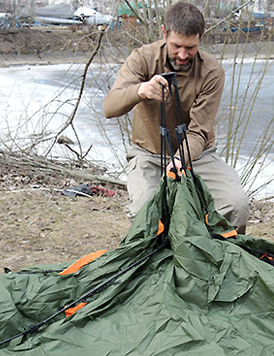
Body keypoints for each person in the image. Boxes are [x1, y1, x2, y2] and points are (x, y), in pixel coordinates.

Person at [103, 1, 250, 233]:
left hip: (197, 156)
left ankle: (223, 260)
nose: (183, 54)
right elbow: (109, 108)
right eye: (177, 46)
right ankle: (153, 263)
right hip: (149, 154)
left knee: (235, 204)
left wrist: (179, 161)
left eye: (190, 47)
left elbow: (199, 131)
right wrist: (139, 91)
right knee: (146, 211)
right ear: (164, 33)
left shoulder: (211, 72)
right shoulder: (142, 59)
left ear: (200, 39)